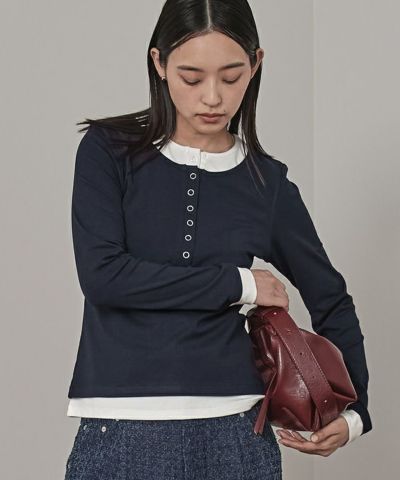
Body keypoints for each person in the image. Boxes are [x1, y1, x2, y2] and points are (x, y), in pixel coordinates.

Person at [64, 0, 372, 478]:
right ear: (159, 62)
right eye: (191, 78)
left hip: (238, 434)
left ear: (256, 64)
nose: (213, 98)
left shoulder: (265, 183)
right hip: (120, 430)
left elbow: (330, 298)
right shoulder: (108, 151)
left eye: (231, 78)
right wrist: (241, 284)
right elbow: (104, 277)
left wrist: (355, 413)